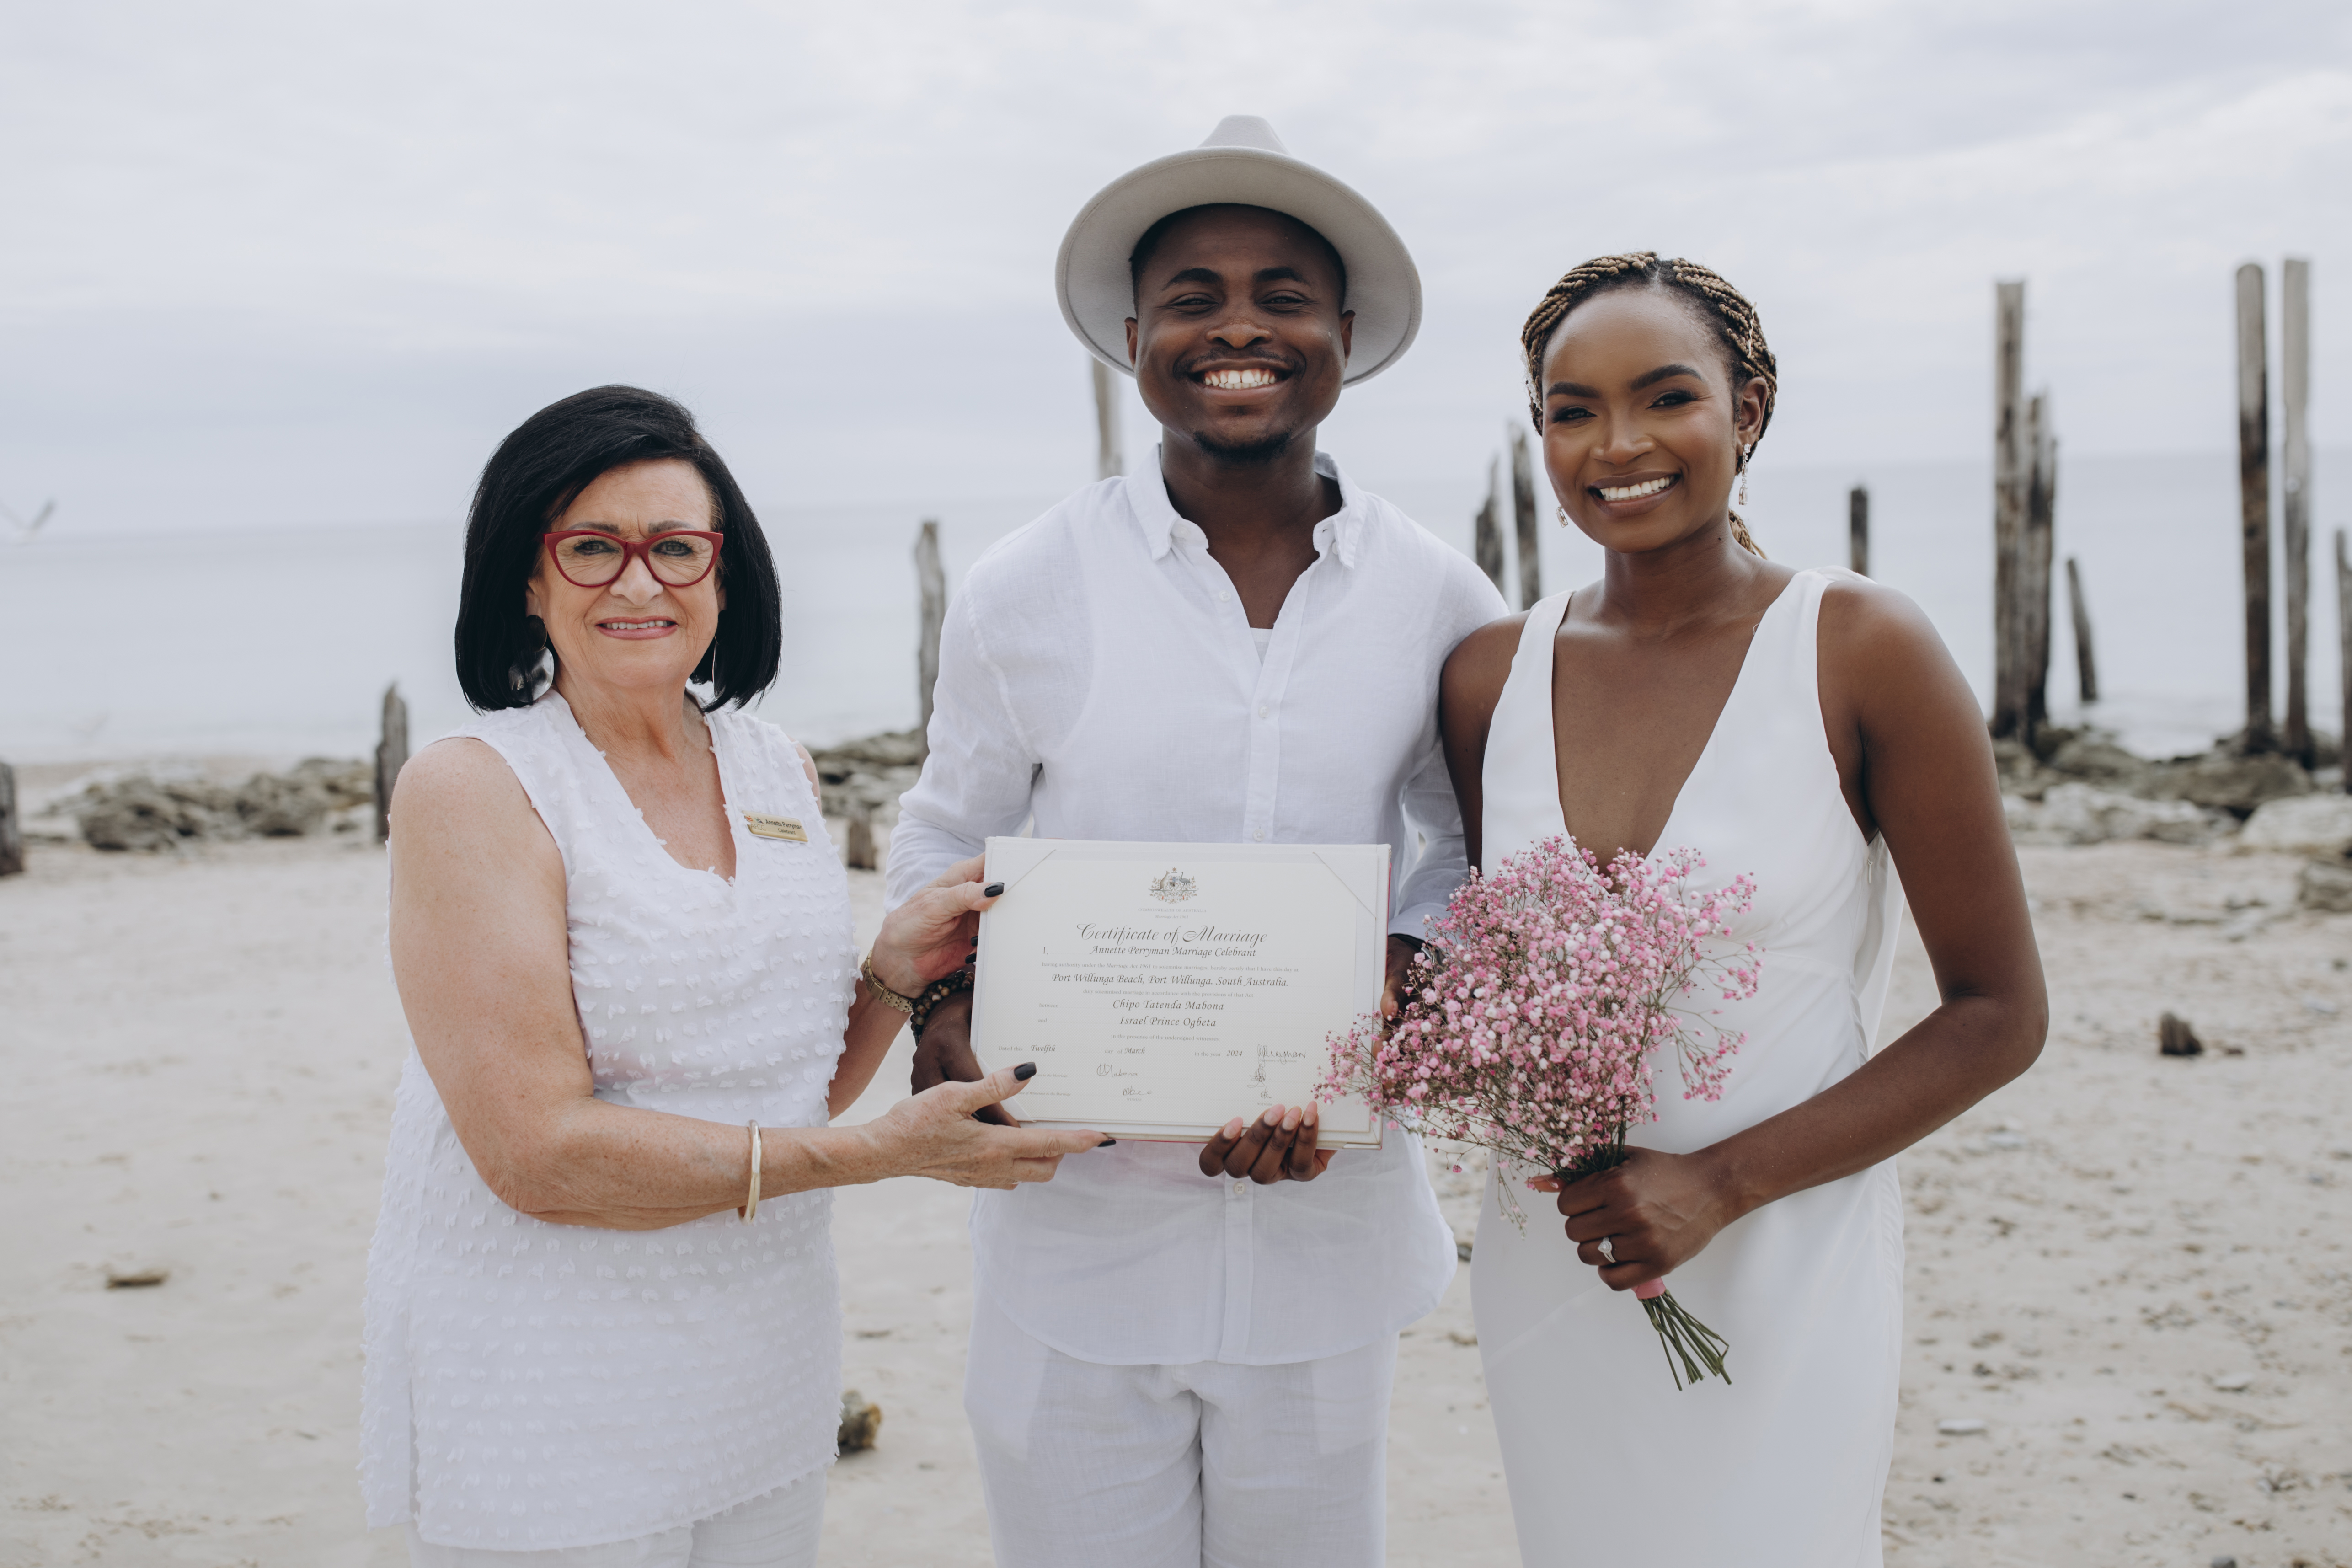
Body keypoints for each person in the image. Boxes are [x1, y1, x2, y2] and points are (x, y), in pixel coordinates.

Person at [883, 118, 1507, 1567]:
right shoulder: (1025, 586)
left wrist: (1403, 973)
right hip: (1073, 1232)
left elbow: (1472, 845)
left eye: (1284, 295)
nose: (1238, 328)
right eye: (1192, 297)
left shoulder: (1439, 597)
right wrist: (944, 1007)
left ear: (1344, 339)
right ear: (1133, 339)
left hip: (1327, 1236)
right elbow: (948, 825)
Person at [361, 386, 1106, 1567]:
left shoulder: (773, 766)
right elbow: (536, 1156)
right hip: (547, 1366)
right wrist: (880, 1156)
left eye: (676, 547)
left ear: (725, 572)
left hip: (764, 1352)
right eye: (593, 547)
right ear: (527, 578)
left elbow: (786, 1080)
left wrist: (890, 974)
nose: (640, 582)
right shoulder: (475, 788)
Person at [1438, 253, 2049, 1565]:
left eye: (1667, 398)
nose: (1620, 445)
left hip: (1786, 1244)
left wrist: (1719, 1184)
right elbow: (1499, 974)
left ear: (1749, 411)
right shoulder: (1490, 675)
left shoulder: (1862, 646)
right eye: (1573, 411)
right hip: (1562, 1252)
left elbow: (2000, 1015)